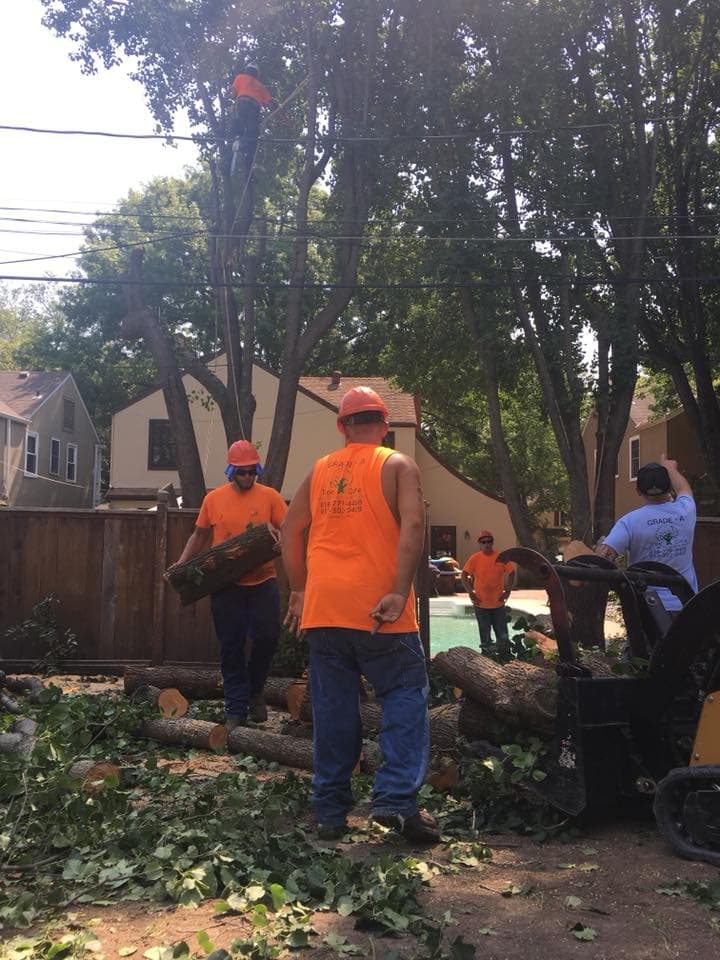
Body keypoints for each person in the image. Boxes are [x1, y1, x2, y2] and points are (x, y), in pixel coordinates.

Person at [281, 386, 440, 843]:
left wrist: (298, 589)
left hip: (325, 608)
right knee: (405, 694)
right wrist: (398, 589)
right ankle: (394, 801)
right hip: (379, 609)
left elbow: (289, 531)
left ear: (342, 426)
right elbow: (412, 524)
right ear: (384, 426)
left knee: (333, 709)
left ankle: (329, 811)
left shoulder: (319, 470)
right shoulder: (396, 464)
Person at [174, 440, 287, 728]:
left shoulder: (271, 497)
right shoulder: (214, 499)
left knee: (268, 637)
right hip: (226, 585)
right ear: (231, 472)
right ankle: (235, 709)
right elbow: (199, 536)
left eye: (252, 472)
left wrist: (279, 540)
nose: (248, 477)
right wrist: (183, 563)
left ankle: (256, 690)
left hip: (263, 580)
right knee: (231, 646)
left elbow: (287, 531)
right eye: (242, 472)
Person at [595, 456, 697, 611]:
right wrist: (670, 469)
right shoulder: (686, 510)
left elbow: (602, 559)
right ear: (670, 487)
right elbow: (684, 489)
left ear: (638, 491)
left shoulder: (629, 522)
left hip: (649, 611)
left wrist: (598, 549)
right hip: (688, 607)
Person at [461, 530, 515, 659]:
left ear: (492, 542)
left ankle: (505, 658)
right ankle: (486, 659)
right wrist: (470, 592)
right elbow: (464, 575)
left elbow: (511, 572)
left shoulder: (501, 557)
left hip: (498, 603)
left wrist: (507, 590)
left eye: (489, 541)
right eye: (483, 542)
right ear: (479, 543)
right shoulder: (475, 558)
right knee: (484, 635)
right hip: (481, 604)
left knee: (502, 634)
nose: (486, 544)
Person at [229, 63, 276, 173]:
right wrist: (283, 117)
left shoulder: (240, 77)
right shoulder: (261, 86)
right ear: (256, 74)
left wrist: (230, 92)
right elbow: (269, 104)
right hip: (254, 107)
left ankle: (236, 139)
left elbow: (233, 95)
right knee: (252, 134)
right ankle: (247, 152)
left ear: (247, 70)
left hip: (241, 103)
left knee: (238, 124)